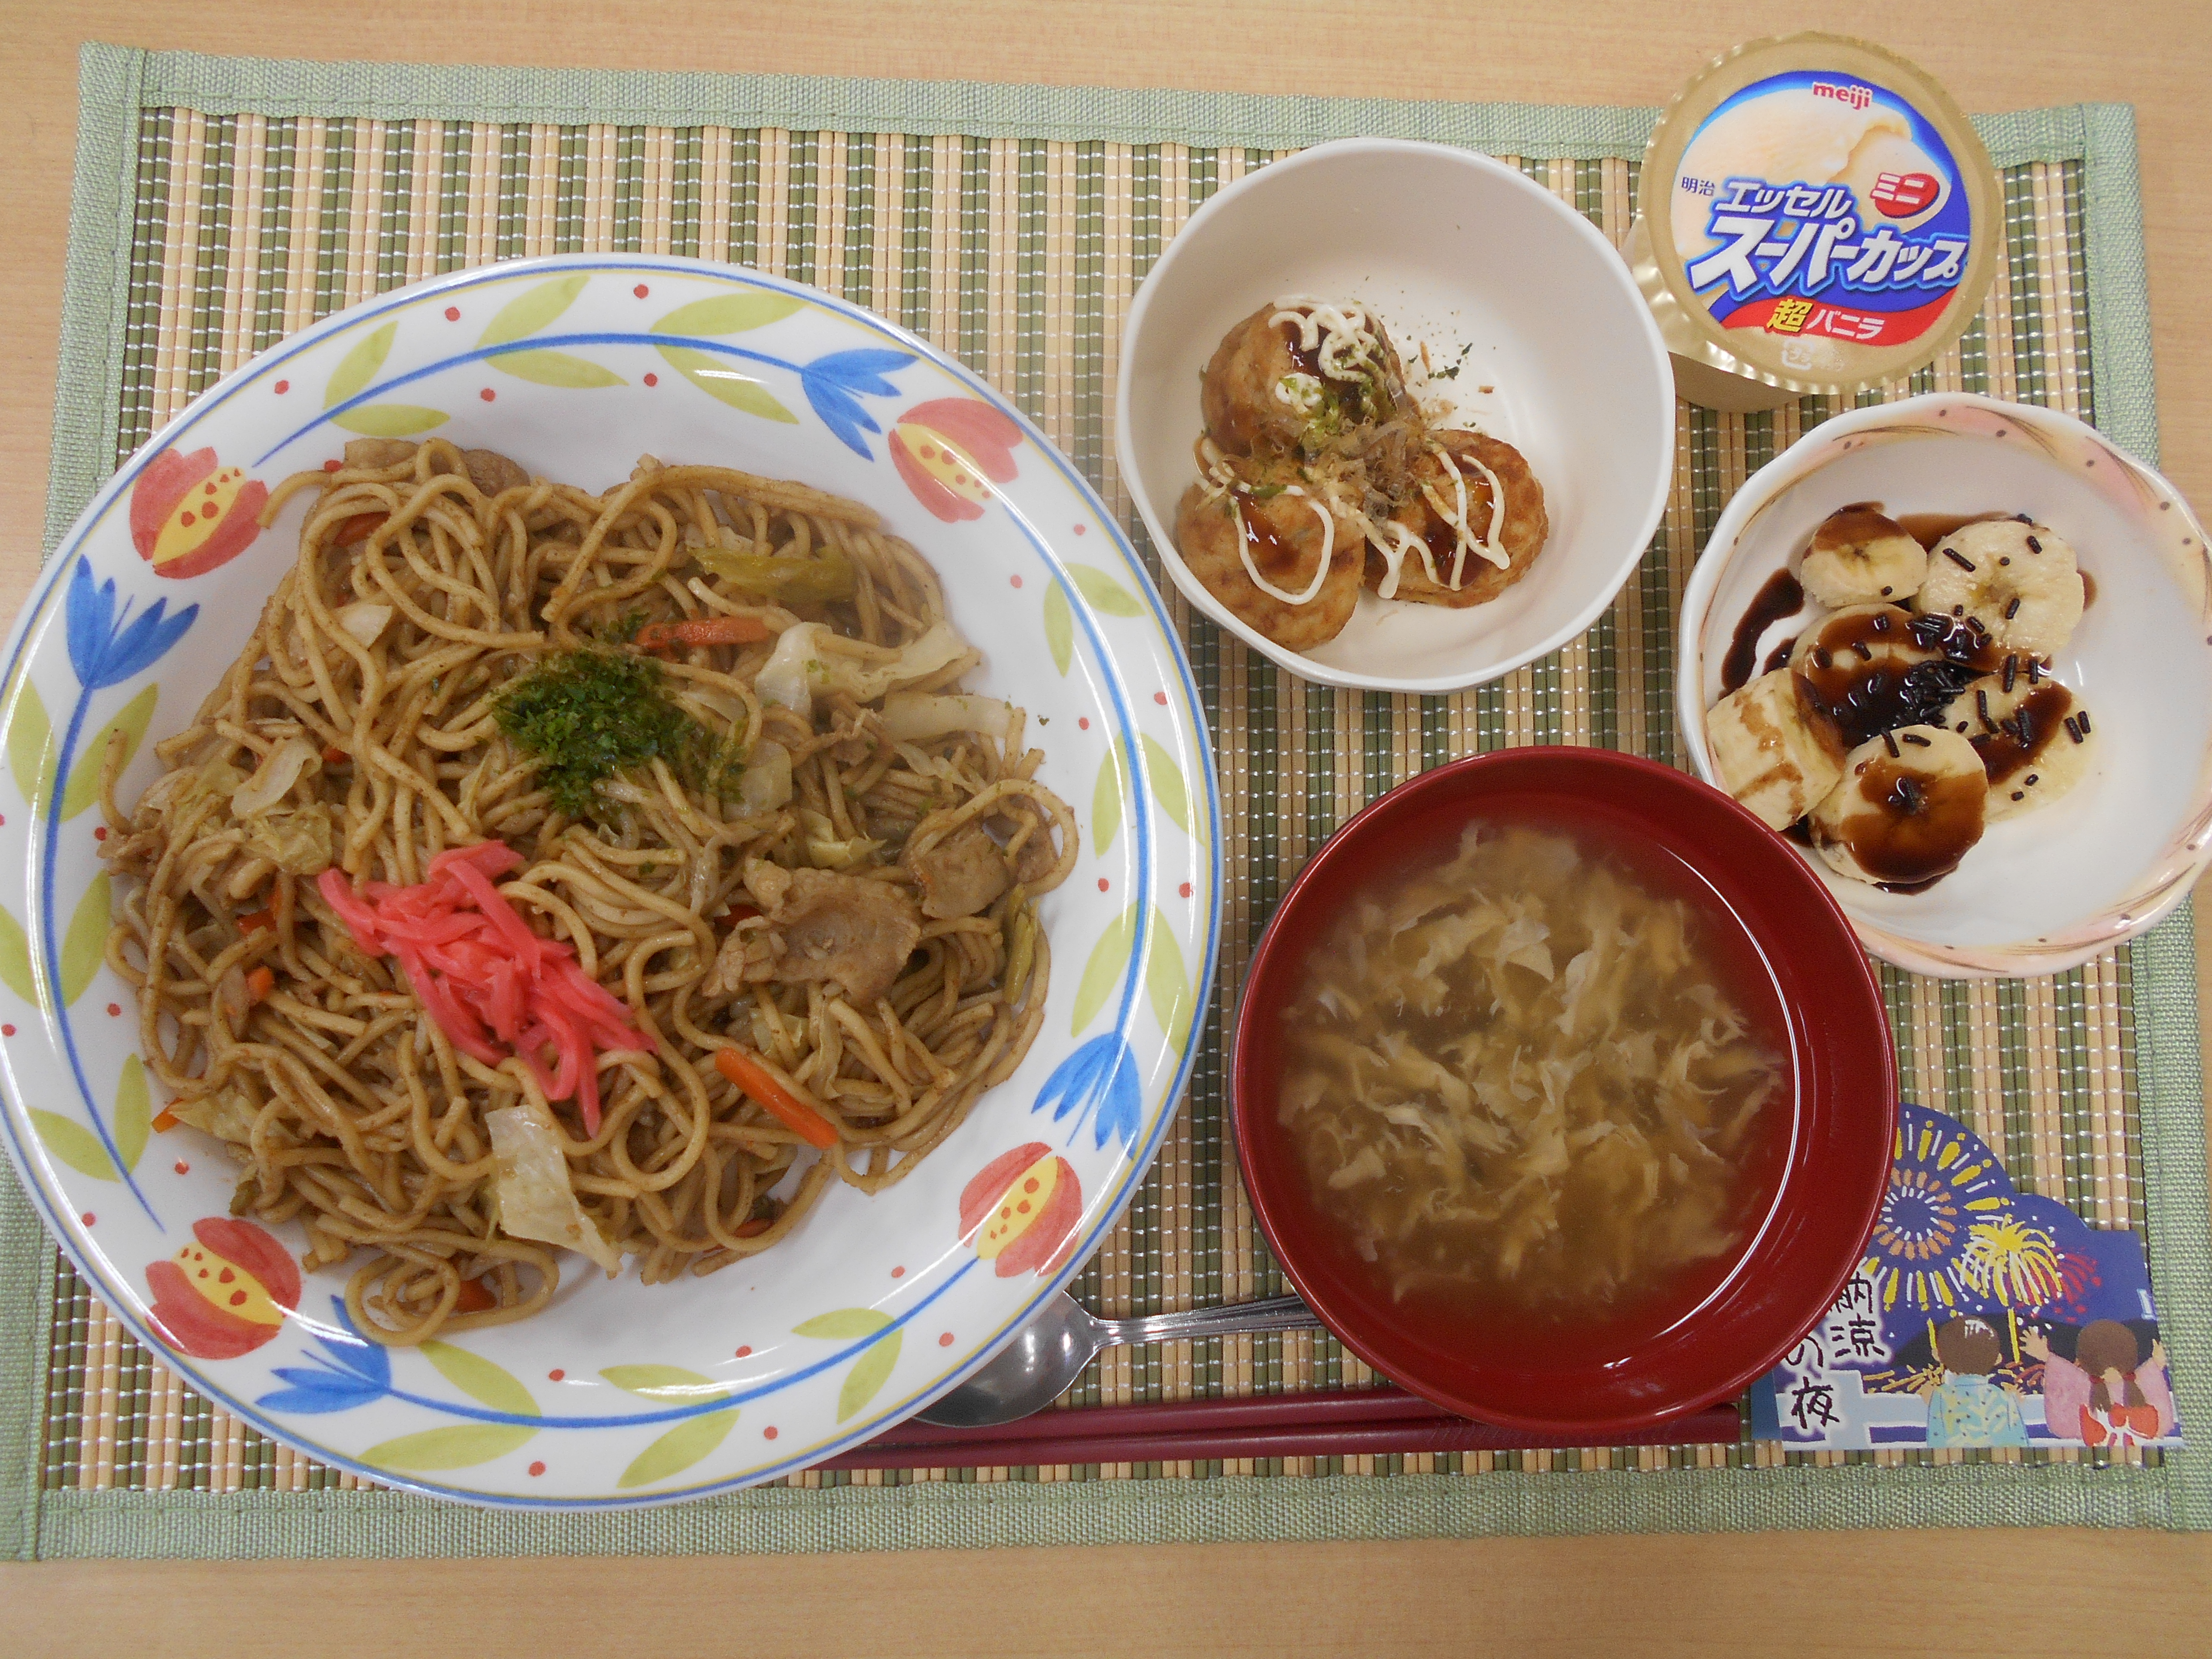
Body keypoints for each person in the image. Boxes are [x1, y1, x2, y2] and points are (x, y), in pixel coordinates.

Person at [2026, 1320, 2172, 1449]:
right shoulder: (2141, 1380)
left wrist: (2047, 1357)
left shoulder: (2084, 1386)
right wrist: (2156, 1364)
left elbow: (2068, 1379)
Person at [1924, 1316, 2027, 1447]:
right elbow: (2018, 1441)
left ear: (1938, 1355)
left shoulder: (1940, 1395)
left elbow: (1936, 1440)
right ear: (1997, 1358)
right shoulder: (2003, 1397)